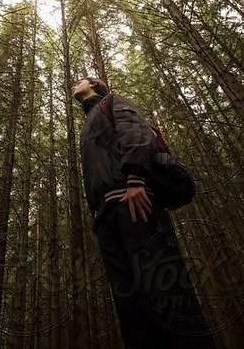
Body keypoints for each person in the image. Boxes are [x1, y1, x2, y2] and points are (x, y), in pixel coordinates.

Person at [73, 77, 217, 349]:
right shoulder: (90, 120)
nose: (73, 85)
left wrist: (136, 178)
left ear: (93, 84)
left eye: (79, 81)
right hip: (107, 219)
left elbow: (136, 132)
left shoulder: (111, 102)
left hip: (137, 204)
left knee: (166, 294)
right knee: (130, 309)